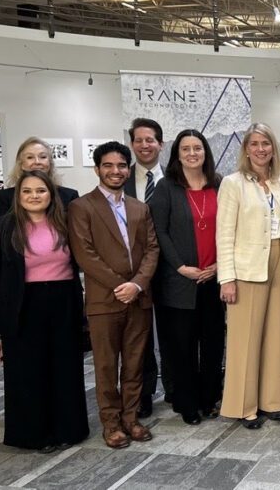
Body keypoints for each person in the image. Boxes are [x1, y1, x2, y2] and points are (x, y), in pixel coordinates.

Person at [0, 170, 89, 453]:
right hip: (23, 304)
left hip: (64, 301)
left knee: (65, 367)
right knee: (27, 371)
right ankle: (34, 434)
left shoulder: (65, 223)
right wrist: (12, 291)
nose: (34, 196)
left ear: (51, 195)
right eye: (27, 191)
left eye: (41, 190)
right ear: (18, 196)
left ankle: (68, 429)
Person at [68, 141, 160, 449]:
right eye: (108, 165)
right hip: (104, 301)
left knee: (134, 363)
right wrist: (119, 285)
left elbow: (151, 249)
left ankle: (131, 418)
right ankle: (111, 423)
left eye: (121, 165)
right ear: (97, 169)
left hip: (138, 299)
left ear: (128, 169)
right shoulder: (82, 207)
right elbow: (85, 254)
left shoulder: (139, 207)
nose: (115, 171)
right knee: (106, 366)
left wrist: (137, 284)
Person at [217, 122, 280, 429]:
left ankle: (272, 401)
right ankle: (244, 405)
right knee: (244, 339)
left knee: (276, 335)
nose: (261, 149)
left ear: (273, 148)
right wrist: (227, 278)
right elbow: (224, 233)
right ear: (246, 149)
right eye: (255, 144)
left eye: (266, 143)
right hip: (246, 267)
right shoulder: (233, 183)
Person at [149, 130, 223, 426]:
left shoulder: (220, 184)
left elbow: (231, 226)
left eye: (197, 148)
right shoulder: (167, 188)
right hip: (179, 281)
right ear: (177, 154)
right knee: (182, 344)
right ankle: (187, 402)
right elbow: (159, 231)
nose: (192, 153)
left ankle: (210, 398)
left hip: (214, 277)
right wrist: (180, 266)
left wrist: (219, 265)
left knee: (213, 342)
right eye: (186, 149)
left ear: (205, 152)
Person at [125, 118, 169, 418]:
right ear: (132, 144)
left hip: (170, 269)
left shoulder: (175, 179)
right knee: (137, 334)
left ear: (160, 144)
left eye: (150, 140)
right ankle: (142, 393)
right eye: (139, 140)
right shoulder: (119, 179)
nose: (144, 145)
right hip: (134, 270)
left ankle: (176, 386)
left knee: (170, 333)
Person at [0, 137, 79, 217]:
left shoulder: (69, 196)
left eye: (43, 157)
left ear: (50, 162)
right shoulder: (5, 197)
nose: (37, 162)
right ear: (21, 164)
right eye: (30, 157)